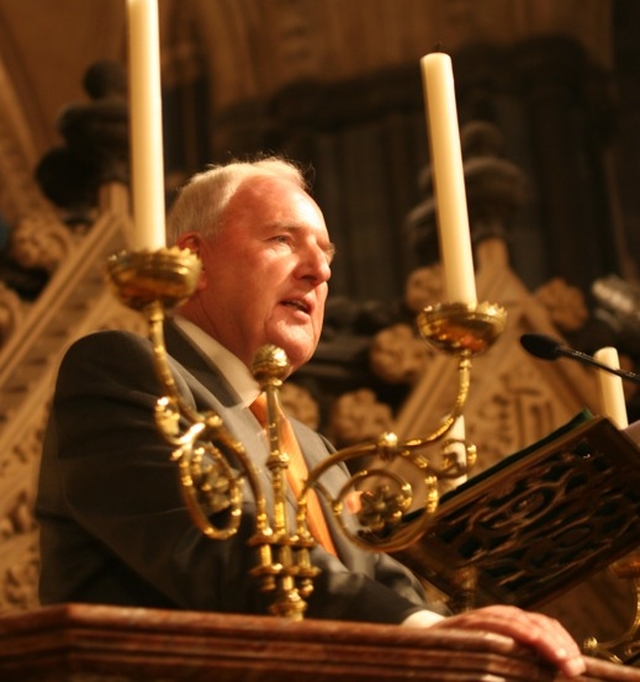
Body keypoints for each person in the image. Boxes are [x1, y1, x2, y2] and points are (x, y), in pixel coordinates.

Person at [36, 157, 586, 677]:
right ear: (194, 261)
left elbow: (389, 588)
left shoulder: (318, 452)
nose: (320, 270)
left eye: (327, 255)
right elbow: (216, 549)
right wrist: (425, 632)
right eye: (282, 240)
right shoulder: (121, 370)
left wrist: (461, 625)